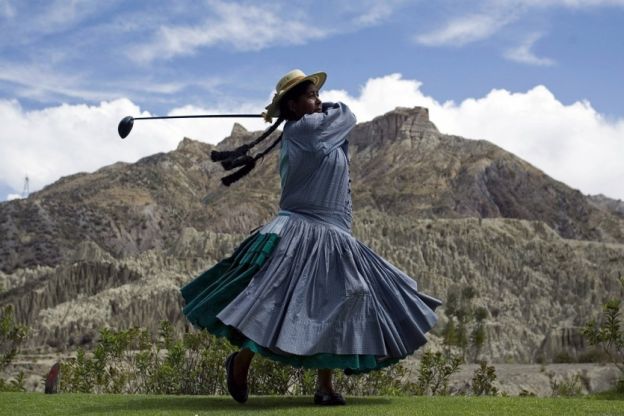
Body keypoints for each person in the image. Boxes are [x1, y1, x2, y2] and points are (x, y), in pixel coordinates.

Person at [180, 69, 442, 406]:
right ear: (292, 106)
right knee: (275, 300)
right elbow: (348, 113)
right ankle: (241, 362)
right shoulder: (306, 129)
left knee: (345, 297)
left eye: (318, 96)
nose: (318, 101)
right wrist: (319, 106)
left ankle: (324, 385)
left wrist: (305, 104)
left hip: (334, 230)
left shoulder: (317, 130)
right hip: (302, 227)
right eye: (310, 96)